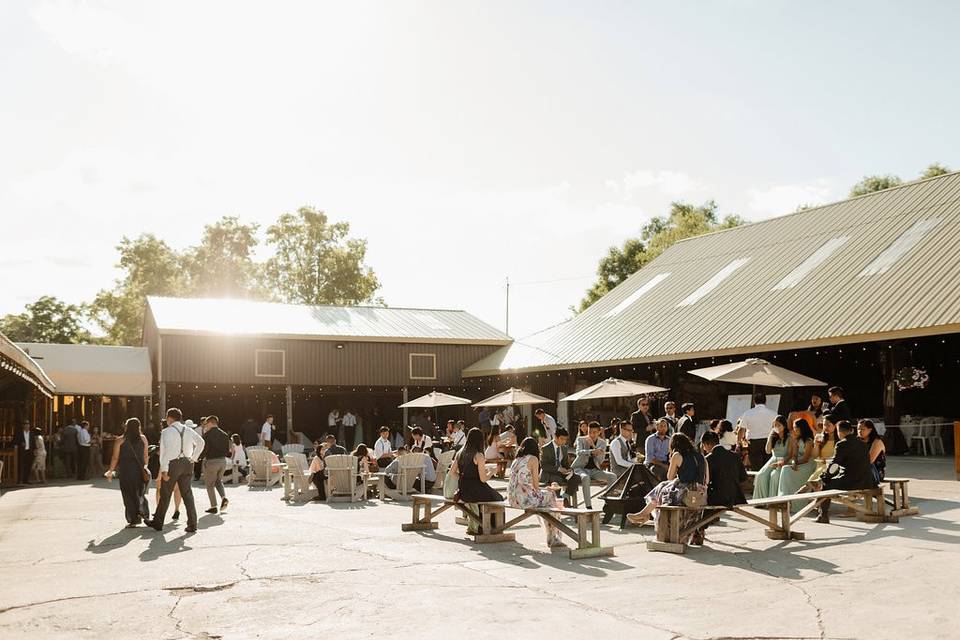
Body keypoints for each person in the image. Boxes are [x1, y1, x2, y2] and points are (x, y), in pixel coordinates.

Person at [626, 433, 708, 529]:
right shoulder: (701, 457)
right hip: (701, 494)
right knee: (663, 486)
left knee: (662, 487)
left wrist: (672, 461)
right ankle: (644, 513)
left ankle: (644, 514)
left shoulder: (677, 455)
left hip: (686, 494)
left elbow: (670, 477)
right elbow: (706, 479)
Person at [146, 408, 205, 533]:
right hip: (187, 463)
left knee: (165, 494)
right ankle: (193, 523)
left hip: (173, 464)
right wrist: (194, 458)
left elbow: (164, 453)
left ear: (169, 418)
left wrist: (164, 470)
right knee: (187, 494)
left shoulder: (166, 431)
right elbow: (201, 442)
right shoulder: (189, 430)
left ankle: (158, 522)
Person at [816, 420, 876, 523]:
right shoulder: (862, 443)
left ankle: (823, 515)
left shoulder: (841, 444)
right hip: (867, 480)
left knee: (825, 483)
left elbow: (834, 464)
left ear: (840, 432)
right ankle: (822, 512)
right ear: (852, 430)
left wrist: (825, 476)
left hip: (853, 481)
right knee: (829, 479)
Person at [507, 437, 563, 547]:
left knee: (545, 500)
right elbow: (536, 486)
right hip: (524, 499)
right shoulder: (533, 459)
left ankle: (550, 534)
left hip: (512, 498)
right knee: (551, 496)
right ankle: (553, 536)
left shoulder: (516, 460)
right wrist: (549, 488)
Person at [105, 417, 150, 527]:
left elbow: (115, 457)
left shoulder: (120, 440)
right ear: (139, 427)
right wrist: (145, 468)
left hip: (126, 470)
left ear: (126, 427)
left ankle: (133, 519)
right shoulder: (143, 439)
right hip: (139, 470)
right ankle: (144, 514)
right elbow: (145, 456)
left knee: (128, 494)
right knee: (140, 492)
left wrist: (110, 471)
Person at [449, 427, 503, 507]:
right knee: (499, 499)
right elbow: (483, 479)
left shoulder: (460, 453)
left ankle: (479, 518)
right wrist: (492, 471)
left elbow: (451, 472)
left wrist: (464, 476)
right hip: (476, 490)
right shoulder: (478, 455)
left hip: (463, 491)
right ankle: (487, 519)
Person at [571, 421, 617, 509]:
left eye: (594, 432)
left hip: (595, 470)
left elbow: (600, 461)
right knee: (585, 477)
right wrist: (592, 451)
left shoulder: (603, 443)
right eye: (589, 432)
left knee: (613, 476)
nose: (591, 435)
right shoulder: (581, 439)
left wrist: (594, 447)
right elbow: (578, 453)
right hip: (580, 468)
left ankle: (607, 502)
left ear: (599, 432)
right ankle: (588, 506)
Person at [776, 418, 817, 506]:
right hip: (798, 461)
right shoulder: (796, 440)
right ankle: (783, 497)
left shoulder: (808, 441)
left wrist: (795, 463)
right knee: (785, 469)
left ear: (802, 428)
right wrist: (794, 462)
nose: (795, 430)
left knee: (786, 470)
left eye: (796, 428)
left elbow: (806, 458)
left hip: (807, 464)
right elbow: (794, 455)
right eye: (794, 428)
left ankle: (788, 499)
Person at [701, 431, 747, 507]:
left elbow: (706, 481)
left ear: (707, 444)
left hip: (718, 498)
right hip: (737, 497)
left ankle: (711, 519)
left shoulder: (708, 459)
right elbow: (743, 478)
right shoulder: (735, 456)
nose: (704, 449)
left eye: (703, 446)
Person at [539, 427, 581, 504]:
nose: (564, 441)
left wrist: (569, 470)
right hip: (549, 474)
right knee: (557, 479)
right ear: (555, 437)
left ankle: (564, 497)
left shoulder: (564, 448)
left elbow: (565, 464)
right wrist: (558, 469)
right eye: (562, 439)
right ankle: (557, 503)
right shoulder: (545, 448)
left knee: (577, 477)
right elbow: (544, 466)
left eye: (565, 439)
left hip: (561, 473)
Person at [752, 415, 790, 499]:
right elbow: (768, 451)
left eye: (778, 425)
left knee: (774, 476)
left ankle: (773, 500)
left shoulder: (789, 437)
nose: (776, 427)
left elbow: (790, 453)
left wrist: (782, 462)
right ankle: (761, 500)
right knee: (761, 475)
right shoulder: (774, 437)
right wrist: (770, 437)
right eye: (775, 425)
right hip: (773, 458)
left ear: (784, 425)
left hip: (785, 460)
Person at [738, 392, 778, 470]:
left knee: (756, 467)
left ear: (754, 401)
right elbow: (776, 429)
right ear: (765, 401)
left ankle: (757, 481)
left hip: (754, 443)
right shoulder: (773, 413)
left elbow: (741, 429)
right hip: (769, 441)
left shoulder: (747, 413)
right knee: (768, 466)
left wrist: (738, 443)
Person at [201, 416, 232, 514]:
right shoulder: (224, 434)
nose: (205, 426)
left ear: (210, 423)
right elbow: (228, 450)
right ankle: (224, 497)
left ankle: (213, 506)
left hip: (211, 461)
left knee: (209, 484)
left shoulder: (207, 435)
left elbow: (205, 449)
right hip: (223, 461)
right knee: (218, 481)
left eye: (206, 423)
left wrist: (199, 457)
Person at [808, 415, 838, 485]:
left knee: (813, 481)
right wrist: (816, 445)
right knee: (811, 481)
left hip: (831, 466)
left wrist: (827, 460)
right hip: (820, 465)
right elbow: (815, 456)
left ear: (835, 425)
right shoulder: (819, 437)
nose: (825, 427)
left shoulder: (839, 439)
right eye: (824, 425)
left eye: (828, 425)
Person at [858, 419, 886, 484]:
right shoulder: (857, 441)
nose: (859, 431)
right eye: (858, 429)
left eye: (862, 429)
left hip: (875, 471)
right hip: (860, 469)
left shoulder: (877, 442)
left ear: (870, 430)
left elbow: (870, 460)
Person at [13, 420, 40, 485]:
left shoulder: (31, 433)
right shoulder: (19, 433)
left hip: (29, 452)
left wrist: (35, 450)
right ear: (23, 425)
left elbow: (33, 443)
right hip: (22, 452)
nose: (27, 425)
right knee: (21, 466)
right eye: (25, 424)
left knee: (28, 466)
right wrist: (20, 444)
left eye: (28, 424)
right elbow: (15, 442)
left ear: (29, 425)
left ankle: (26, 480)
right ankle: (19, 480)